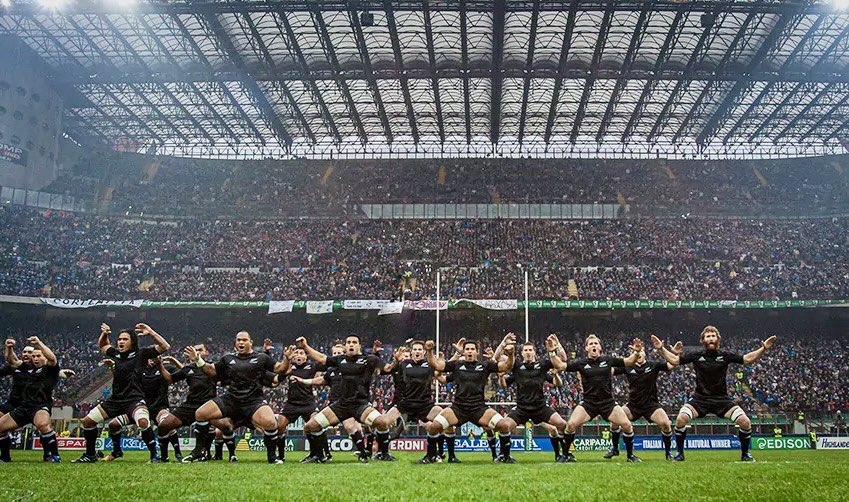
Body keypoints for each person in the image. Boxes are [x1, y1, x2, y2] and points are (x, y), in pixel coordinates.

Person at [652, 326, 776, 462]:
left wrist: (763, 348)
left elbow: (747, 359)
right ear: (703, 340)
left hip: (722, 400)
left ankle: (745, 454)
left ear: (718, 339)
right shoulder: (697, 355)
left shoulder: (725, 355)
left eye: (713, 336)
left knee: (745, 422)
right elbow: (675, 361)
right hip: (700, 399)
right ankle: (680, 454)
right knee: (681, 419)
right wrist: (661, 349)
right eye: (708, 336)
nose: (710, 338)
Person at [186, 331, 291, 464]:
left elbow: (280, 369)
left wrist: (286, 359)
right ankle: (198, 452)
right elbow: (211, 370)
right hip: (232, 400)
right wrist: (197, 359)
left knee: (270, 422)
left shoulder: (262, 358)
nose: (241, 342)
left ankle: (272, 457)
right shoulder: (228, 358)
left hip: (253, 401)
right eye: (238, 340)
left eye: (244, 340)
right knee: (201, 413)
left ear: (250, 342)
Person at [73, 323, 170, 463]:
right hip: (115, 400)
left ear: (132, 342)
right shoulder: (116, 354)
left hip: (134, 399)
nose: (121, 342)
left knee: (143, 421)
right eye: (119, 339)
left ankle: (154, 456)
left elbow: (165, 347)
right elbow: (103, 346)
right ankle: (90, 455)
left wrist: (150, 332)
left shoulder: (141, 353)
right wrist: (105, 334)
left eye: (125, 339)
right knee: (88, 421)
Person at [546, 334, 644, 462]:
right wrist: (552, 352)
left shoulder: (608, 360)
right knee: (570, 425)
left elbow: (629, 361)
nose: (593, 345)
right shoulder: (581, 363)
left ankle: (630, 456)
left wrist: (636, 352)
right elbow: (560, 365)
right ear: (586, 348)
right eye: (591, 344)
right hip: (588, 404)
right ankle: (566, 455)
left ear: (600, 347)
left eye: (596, 343)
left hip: (608, 403)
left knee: (626, 425)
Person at [423, 334, 517, 463]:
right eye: (467, 349)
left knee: (504, 425)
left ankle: (505, 457)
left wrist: (511, 354)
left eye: (472, 349)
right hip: (458, 408)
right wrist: (429, 351)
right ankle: (430, 456)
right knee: (434, 426)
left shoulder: (485, 366)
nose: (469, 351)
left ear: (477, 352)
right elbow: (437, 365)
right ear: (464, 351)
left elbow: (506, 366)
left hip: (479, 408)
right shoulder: (456, 365)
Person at [297, 335, 384, 463]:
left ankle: (372, 452)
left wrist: (377, 354)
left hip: (359, 403)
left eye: (354, 342)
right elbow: (322, 365)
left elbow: (380, 369)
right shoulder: (336, 365)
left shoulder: (365, 360)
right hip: (340, 404)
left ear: (359, 346)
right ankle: (321, 455)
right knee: (310, 426)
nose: (351, 344)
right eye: (348, 342)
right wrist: (305, 347)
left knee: (375, 423)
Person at [372, 341, 445, 461]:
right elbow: (383, 370)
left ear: (423, 352)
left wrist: (447, 357)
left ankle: (434, 455)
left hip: (424, 404)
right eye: (415, 349)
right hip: (405, 404)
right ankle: (383, 453)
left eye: (419, 350)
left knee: (443, 420)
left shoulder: (429, 365)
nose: (417, 352)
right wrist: (394, 360)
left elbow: (441, 369)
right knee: (382, 422)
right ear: (411, 352)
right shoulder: (403, 364)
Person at [605, 345, 676, 460]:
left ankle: (668, 453)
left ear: (645, 354)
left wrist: (675, 354)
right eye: (635, 352)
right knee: (614, 419)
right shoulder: (628, 366)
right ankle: (615, 449)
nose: (639, 354)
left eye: (641, 351)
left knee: (666, 424)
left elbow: (671, 365)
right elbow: (610, 370)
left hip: (651, 406)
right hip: (633, 406)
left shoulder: (653, 365)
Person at [0, 337, 62, 462]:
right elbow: (12, 361)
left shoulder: (50, 369)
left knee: (42, 424)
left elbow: (52, 358)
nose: (35, 358)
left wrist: (39, 343)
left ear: (44, 356)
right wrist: (9, 347)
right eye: (34, 356)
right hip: (24, 406)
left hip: (40, 405)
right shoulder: (27, 368)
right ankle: (5, 457)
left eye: (38, 356)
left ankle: (53, 456)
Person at [157, 345, 218, 463]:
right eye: (195, 350)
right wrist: (160, 364)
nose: (196, 352)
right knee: (164, 425)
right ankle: (164, 457)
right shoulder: (188, 368)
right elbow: (170, 379)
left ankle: (207, 452)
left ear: (207, 352)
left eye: (200, 350)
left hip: (210, 405)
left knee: (226, 426)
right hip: (190, 405)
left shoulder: (213, 367)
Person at [274, 347, 325, 462]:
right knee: (280, 426)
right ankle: (281, 456)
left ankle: (316, 454)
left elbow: (324, 363)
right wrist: (286, 361)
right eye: (296, 353)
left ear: (306, 357)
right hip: (291, 404)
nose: (298, 355)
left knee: (314, 425)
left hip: (308, 403)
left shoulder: (311, 366)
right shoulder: (289, 367)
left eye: (301, 353)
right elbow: (279, 378)